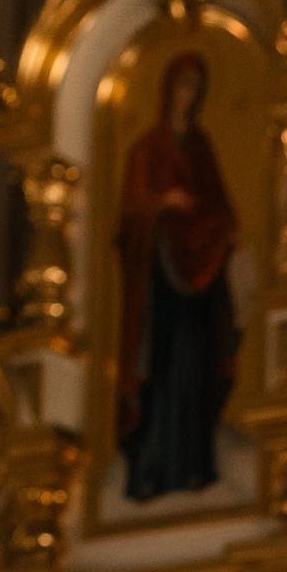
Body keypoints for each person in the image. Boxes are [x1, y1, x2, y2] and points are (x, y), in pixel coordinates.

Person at [115, 52, 239, 504]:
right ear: (168, 89)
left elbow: (220, 207)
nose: (189, 95)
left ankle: (193, 465)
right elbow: (128, 220)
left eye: (196, 87)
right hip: (158, 285)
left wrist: (215, 225)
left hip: (201, 280)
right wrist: (161, 205)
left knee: (196, 365)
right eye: (184, 84)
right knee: (163, 368)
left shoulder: (201, 148)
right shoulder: (146, 150)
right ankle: (150, 468)